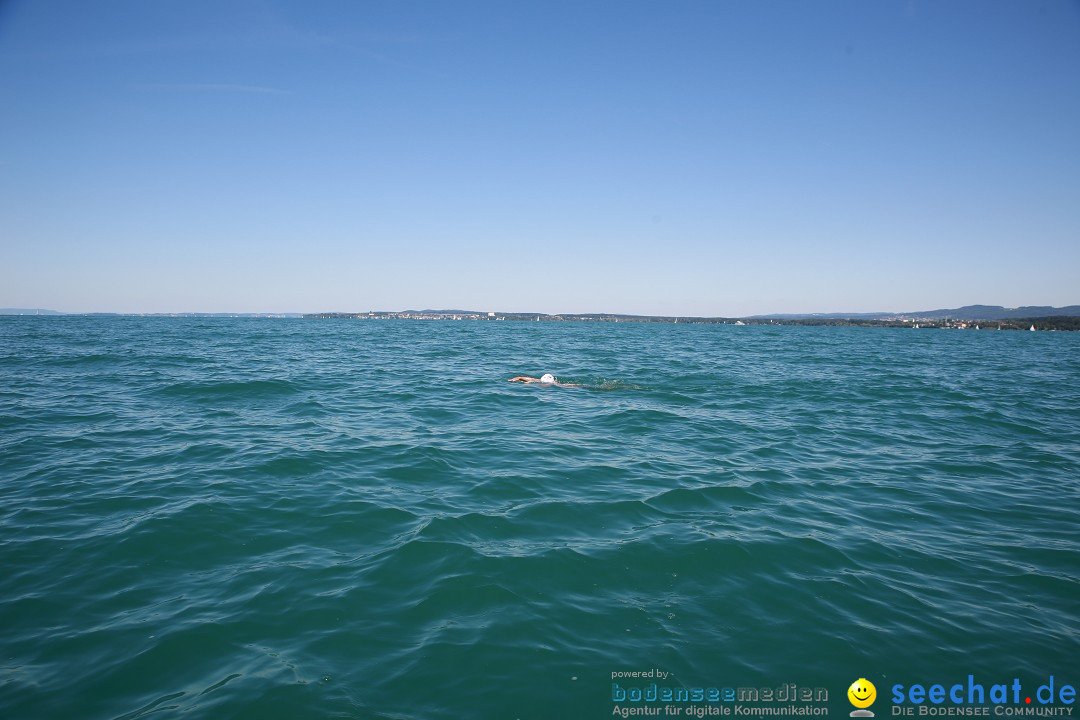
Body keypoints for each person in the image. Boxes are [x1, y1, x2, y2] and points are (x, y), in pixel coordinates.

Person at [508, 373, 580, 387]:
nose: (545, 385)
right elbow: (519, 377)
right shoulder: (534, 380)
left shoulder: (555, 384)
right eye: (544, 384)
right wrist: (513, 380)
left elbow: (568, 385)